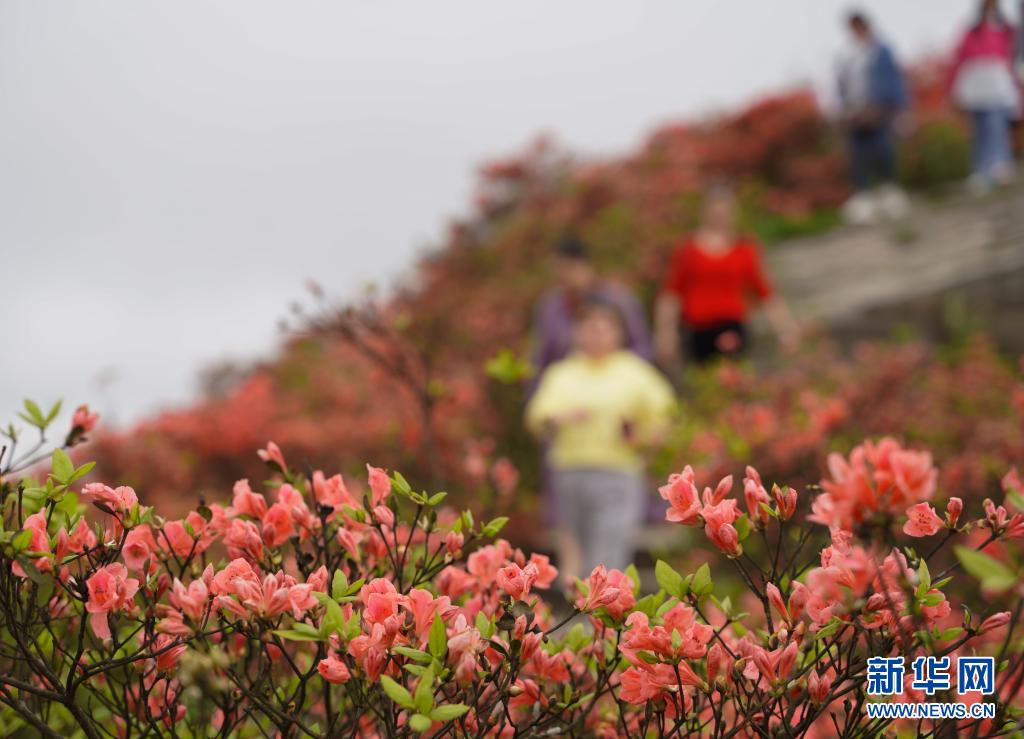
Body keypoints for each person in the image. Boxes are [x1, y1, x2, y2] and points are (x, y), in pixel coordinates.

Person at [525, 296, 675, 584]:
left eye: (604, 328)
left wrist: (642, 436)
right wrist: (559, 418)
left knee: (609, 549)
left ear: (618, 333)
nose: (596, 334)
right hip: (570, 472)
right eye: (589, 327)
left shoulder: (635, 372)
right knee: (576, 551)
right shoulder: (563, 373)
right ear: (577, 333)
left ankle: (603, 617)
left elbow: (666, 415)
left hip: (618, 471)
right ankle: (580, 619)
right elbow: (537, 416)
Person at [653, 185, 799, 368]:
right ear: (705, 212)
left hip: (732, 325)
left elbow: (765, 292)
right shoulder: (688, 250)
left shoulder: (744, 249)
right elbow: (671, 294)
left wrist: (785, 328)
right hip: (699, 330)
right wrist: (665, 333)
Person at [530, 237, 652, 384]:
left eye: (571, 268)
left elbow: (642, 348)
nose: (566, 276)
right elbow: (542, 358)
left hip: (618, 384)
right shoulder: (550, 308)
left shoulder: (620, 300)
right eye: (560, 269)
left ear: (588, 265)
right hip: (568, 390)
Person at [835, 10, 910, 224]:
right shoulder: (846, 55)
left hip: (879, 110)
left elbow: (894, 80)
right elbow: (841, 85)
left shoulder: (881, 51)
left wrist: (897, 107)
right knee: (858, 156)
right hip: (855, 113)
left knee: (883, 151)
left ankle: (890, 191)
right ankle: (864, 196)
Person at [949, 0, 1020, 194]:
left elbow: (1011, 55)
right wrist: (954, 88)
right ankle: (981, 170)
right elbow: (960, 56)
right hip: (975, 84)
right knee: (979, 130)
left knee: (996, 125)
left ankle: (999, 165)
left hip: (997, 82)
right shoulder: (971, 29)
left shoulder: (1005, 27)